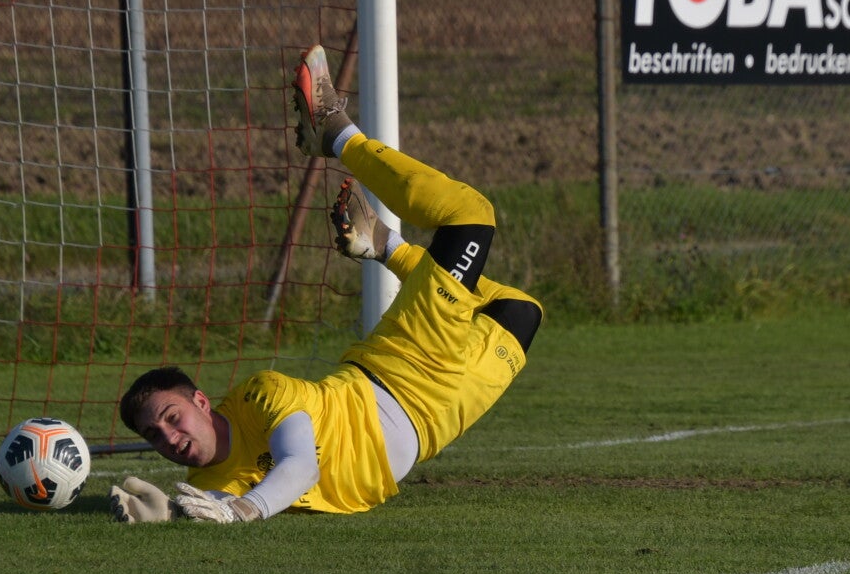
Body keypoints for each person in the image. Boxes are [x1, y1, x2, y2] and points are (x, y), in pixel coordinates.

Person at [108, 44, 543, 524]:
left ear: (201, 401)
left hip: (399, 370)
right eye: (154, 436)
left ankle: (336, 132)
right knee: (521, 312)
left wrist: (243, 510)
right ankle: (387, 247)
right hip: (435, 418)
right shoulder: (207, 482)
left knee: (470, 214)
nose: (169, 439)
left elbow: (301, 466)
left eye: (171, 418)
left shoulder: (261, 395)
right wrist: (167, 513)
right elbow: (214, 500)